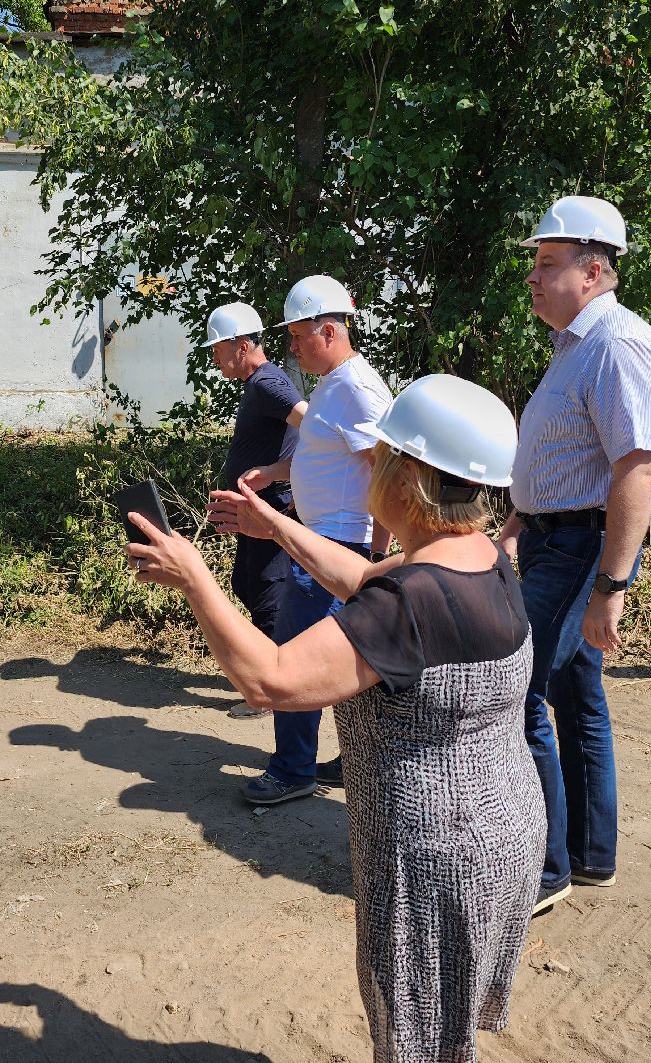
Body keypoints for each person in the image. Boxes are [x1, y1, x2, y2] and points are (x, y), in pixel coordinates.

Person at [127, 374, 545, 1063]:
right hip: (504, 831)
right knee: (441, 1031)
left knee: (412, 1037)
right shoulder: (480, 563)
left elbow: (269, 680)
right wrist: (276, 526)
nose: (368, 469)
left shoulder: (409, 602)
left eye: (378, 457)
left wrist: (195, 578)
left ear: (406, 476)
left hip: (430, 859)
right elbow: (364, 580)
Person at [497, 196, 651, 915]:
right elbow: (561, 453)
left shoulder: (617, 345)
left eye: (546, 264)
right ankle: (588, 856)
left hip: (578, 546)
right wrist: (515, 521)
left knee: (518, 694)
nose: (532, 278)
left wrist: (611, 585)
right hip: (549, 537)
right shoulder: (574, 343)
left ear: (593, 270)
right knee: (575, 697)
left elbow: (636, 468)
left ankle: (545, 869)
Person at [237, 274, 392, 804]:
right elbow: (324, 455)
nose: (292, 347)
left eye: (300, 336)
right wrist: (276, 471)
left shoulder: (356, 389)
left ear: (329, 331)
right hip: (323, 542)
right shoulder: (331, 386)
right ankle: (349, 760)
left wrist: (379, 551)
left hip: (342, 546)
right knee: (343, 659)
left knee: (296, 656)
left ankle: (292, 770)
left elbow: (386, 471)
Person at [198, 301, 306, 718]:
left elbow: (311, 422)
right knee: (246, 583)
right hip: (257, 508)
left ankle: (272, 690)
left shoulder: (267, 383)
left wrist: (290, 475)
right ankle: (269, 677)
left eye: (218, 348)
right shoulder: (258, 383)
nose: (214, 357)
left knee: (266, 592)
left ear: (242, 345)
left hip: (272, 510)